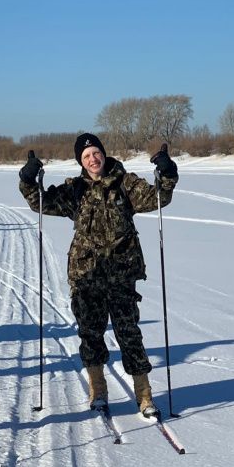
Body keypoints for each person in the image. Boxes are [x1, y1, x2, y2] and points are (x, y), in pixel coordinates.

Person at [18, 134, 178, 418]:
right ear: (81, 161)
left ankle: (144, 396)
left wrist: (167, 172)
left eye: (96, 153)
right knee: (90, 335)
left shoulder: (126, 184)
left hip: (121, 276)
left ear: (104, 154)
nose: (93, 159)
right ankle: (98, 391)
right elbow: (40, 203)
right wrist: (28, 180)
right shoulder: (75, 190)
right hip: (86, 277)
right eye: (86, 156)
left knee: (129, 335)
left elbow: (157, 198)